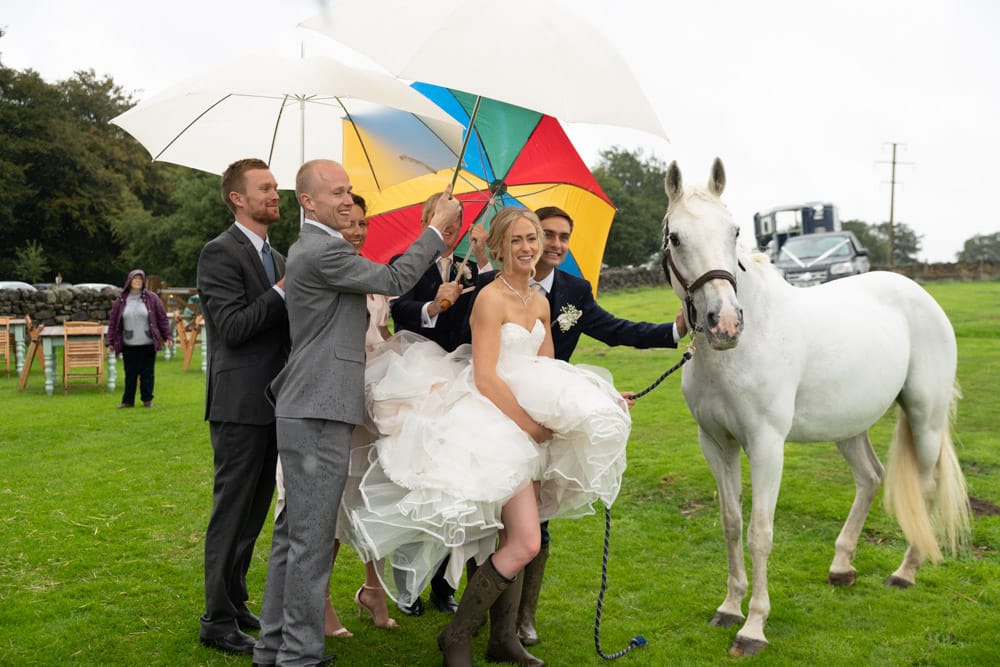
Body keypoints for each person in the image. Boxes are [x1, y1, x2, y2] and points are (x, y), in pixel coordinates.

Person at [344, 207, 632, 666]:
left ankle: (498, 639)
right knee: (522, 541)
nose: (528, 248)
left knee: (516, 539)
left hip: (528, 424)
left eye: (532, 238)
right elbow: (486, 377)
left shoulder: (539, 301)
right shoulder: (490, 300)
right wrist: (530, 427)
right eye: (517, 240)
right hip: (495, 422)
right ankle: (459, 635)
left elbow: (549, 368)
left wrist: (598, 396)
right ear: (498, 247)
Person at [252, 159, 461, 667]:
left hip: (310, 405)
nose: (348, 200)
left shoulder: (316, 249)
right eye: (337, 193)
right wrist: (436, 229)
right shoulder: (323, 251)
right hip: (318, 407)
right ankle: (300, 655)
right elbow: (393, 276)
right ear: (308, 202)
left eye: (349, 191)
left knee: (292, 534)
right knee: (311, 537)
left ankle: (272, 646)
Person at [478, 205, 688, 647]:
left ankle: (521, 622)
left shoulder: (572, 290)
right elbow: (476, 355)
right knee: (491, 523)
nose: (552, 244)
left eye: (560, 237)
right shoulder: (487, 289)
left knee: (538, 523)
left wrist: (670, 332)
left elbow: (611, 331)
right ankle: (478, 615)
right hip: (496, 414)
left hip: (547, 411)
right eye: (545, 234)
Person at [196, 158, 290, 656]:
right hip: (237, 405)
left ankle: (234, 600)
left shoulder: (276, 254)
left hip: (275, 401)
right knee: (230, 514)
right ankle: (214, 620)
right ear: (238, 198)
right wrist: (280, 291)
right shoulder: (219, 253)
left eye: (275, 187)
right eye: (266, 188)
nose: (276, 195)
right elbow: (232, 327)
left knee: (253, 514)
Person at [388, 192, 490, 616]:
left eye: (458, 220)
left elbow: (490, 308)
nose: (452, 227)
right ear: (427, 218)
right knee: (417, 482)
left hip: (462, 382)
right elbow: (399, 308)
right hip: (417, 381)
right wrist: (434, 304)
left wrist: (482, 263)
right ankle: (407, 582)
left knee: (457, 484)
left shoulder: (471, 266)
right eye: (444, 218)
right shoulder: (406, 260)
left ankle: (445, 585)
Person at [106, 269, 173, 408]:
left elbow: (162, 319)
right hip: (128, 343)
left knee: (147, 374)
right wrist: (110, 341)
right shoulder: (121, 300)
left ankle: (147, 400)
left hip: (148, 343)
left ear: (144, 282)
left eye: (140, 279)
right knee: (130, 374)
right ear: (129, 281)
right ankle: (127, 401)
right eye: (134, 279)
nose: (137, 281)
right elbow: (113, 322)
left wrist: (168, 336)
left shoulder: (152, 298)